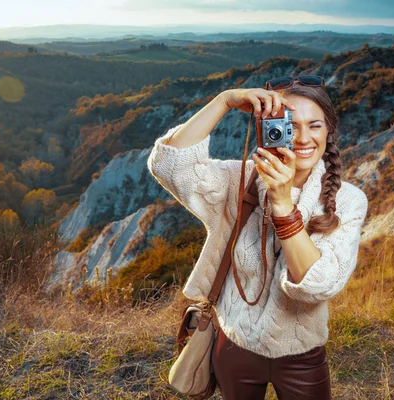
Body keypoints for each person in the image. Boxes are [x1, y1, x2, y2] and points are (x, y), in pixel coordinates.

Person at [147, 76, 368, 400]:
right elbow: (168, 165)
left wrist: (282, 206)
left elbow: (320, 285)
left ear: (328, 131)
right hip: (235, 342)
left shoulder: (347, 200)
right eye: (289, 125)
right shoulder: (242, 182)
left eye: (315, 125)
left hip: (300, 353)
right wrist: (225, 100)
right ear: (269, 128)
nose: (303, 137)